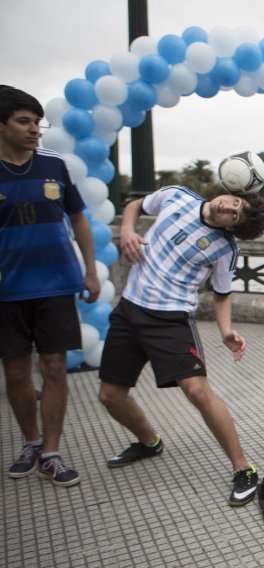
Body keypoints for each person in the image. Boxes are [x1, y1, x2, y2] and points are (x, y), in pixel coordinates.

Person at [97, 174, 264, 507]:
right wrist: (126, 229)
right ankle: (149, 442)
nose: (227, 207)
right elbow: (135, 205)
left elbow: (222, 294)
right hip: (130, 308)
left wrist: (226, 332)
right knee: (109, 395)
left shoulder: (225, 249)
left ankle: (243, 468)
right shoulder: (176, 195)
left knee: (196, 390)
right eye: (234, 202)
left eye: (234, 214)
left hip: (171, 319)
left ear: (233, 227)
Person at [0, 86, 100, 487]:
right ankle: (31, 442)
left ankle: (52, 453)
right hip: (7, 291)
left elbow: (78, 219)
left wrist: (89, 271)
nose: (34, 130)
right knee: (17, 372)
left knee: (55, 367)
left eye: (37, 122)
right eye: (24, 122)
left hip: (57, 283)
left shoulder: (54, 165)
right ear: (1, 126)